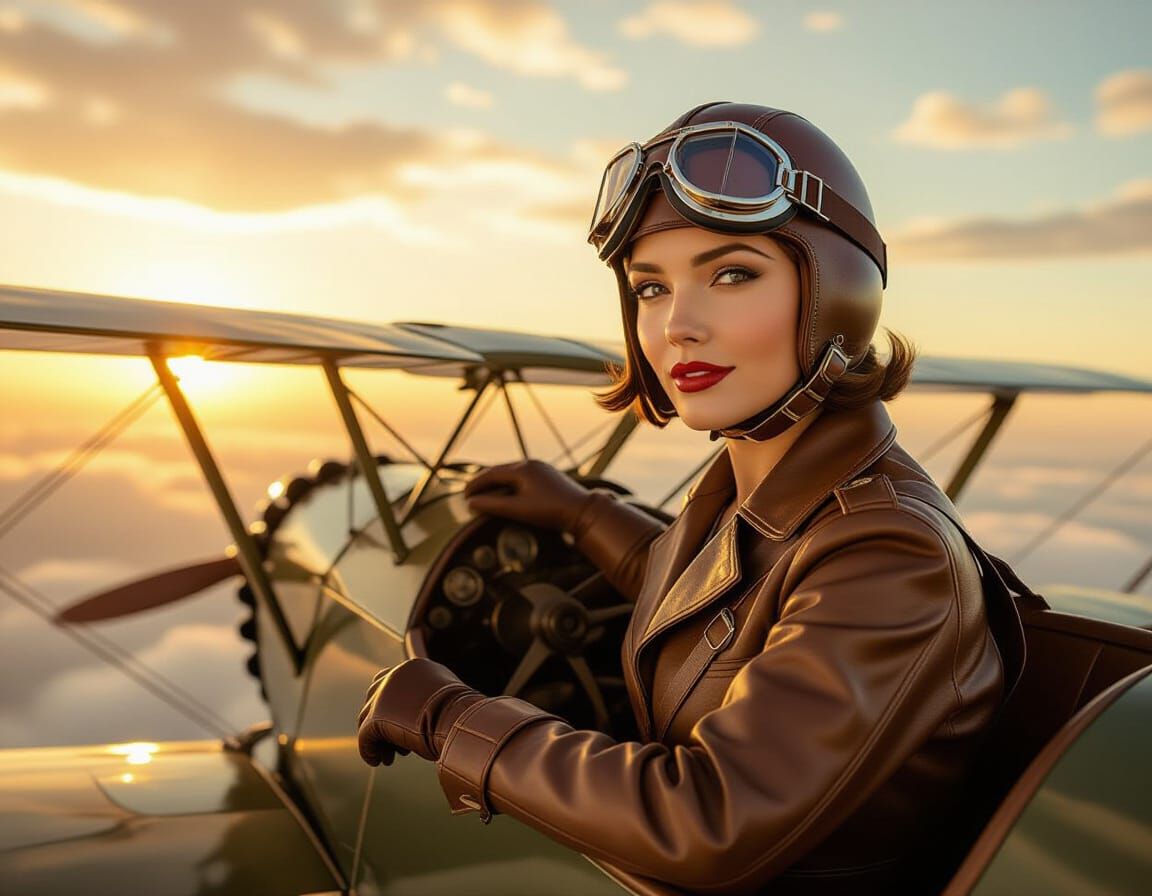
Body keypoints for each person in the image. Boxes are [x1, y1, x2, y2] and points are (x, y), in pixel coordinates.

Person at [356, 102, 1024, 894]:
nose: (678, 325)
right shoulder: (763, 484)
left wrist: (449, 718)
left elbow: (710, 820)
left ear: (835, 294)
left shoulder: (889, 552)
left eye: (732, 274)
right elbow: (713, 605)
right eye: (650, 287)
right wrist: (581, 513)